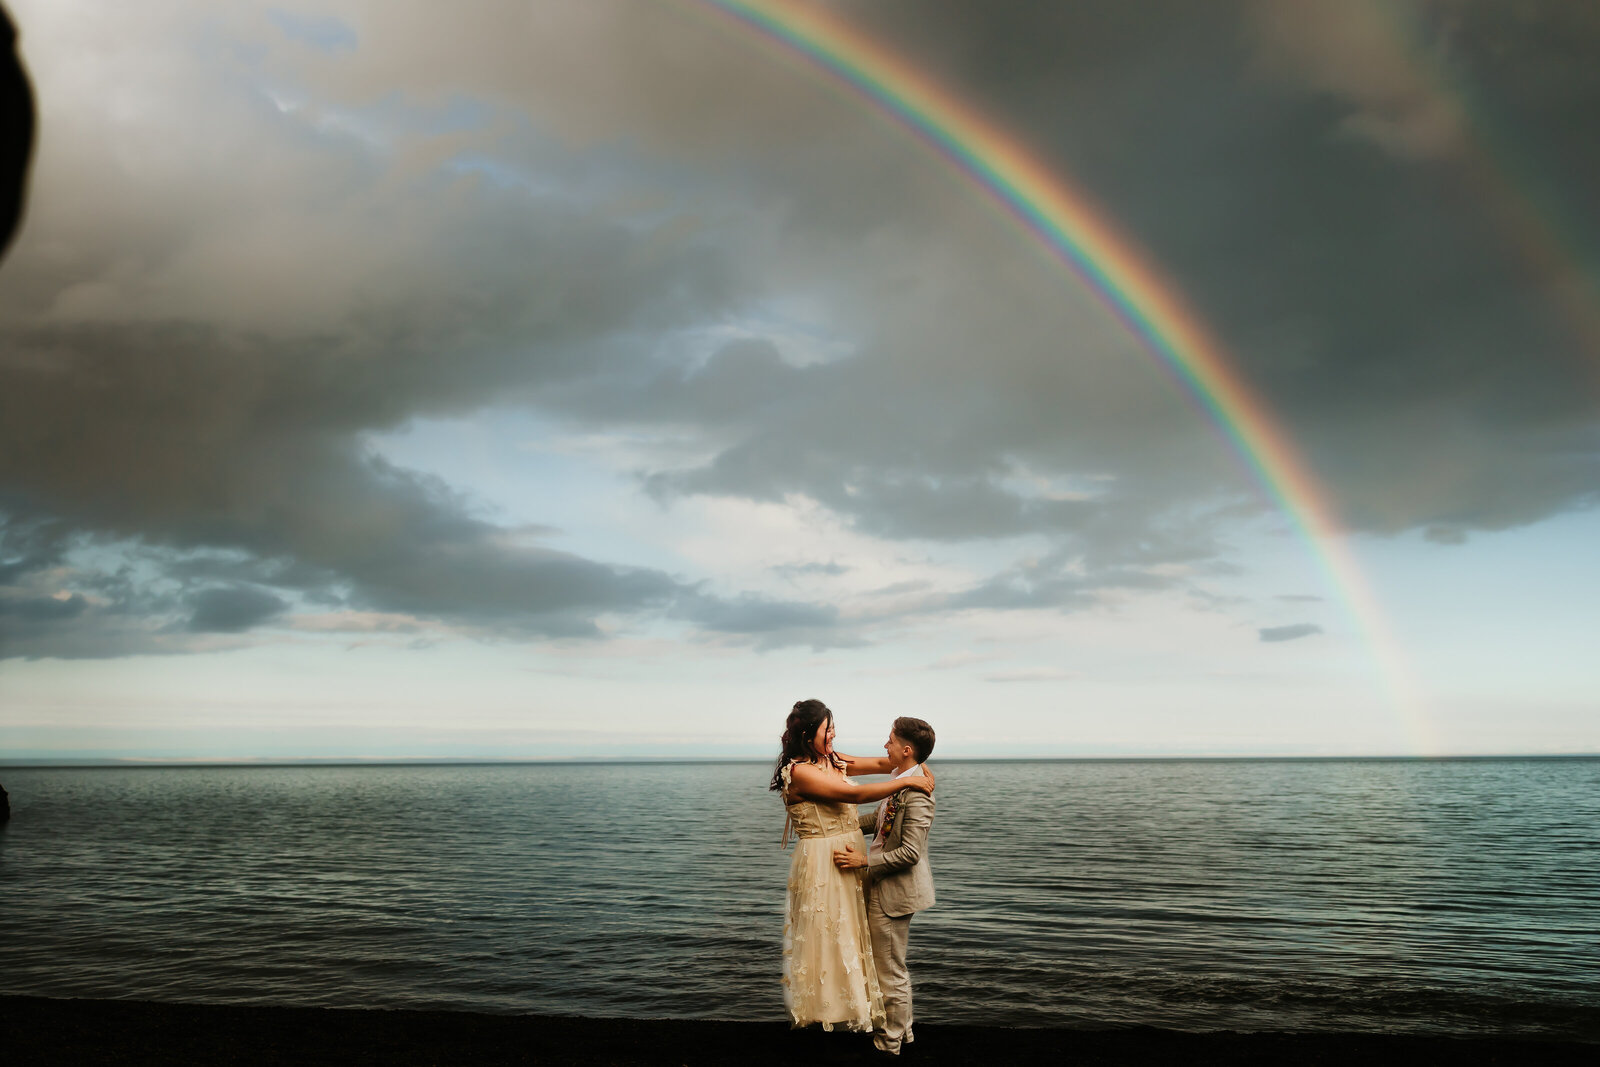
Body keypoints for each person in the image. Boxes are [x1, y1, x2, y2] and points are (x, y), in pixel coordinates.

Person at [770, 699, 934, 1034]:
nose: (833, 734)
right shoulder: (801, 772)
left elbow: (879, 762)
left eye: (833, 727)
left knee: (857, 935)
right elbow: (856, 798)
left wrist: (914, 768)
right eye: (826, 729)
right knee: (830, 935)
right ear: (806, 733)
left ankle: (870, 1015)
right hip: (824, 862)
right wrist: (907, 782)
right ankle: (830, 1012)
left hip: (851, 856)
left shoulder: (834, 760)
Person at [832, 717, 936, 1056]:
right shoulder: (901, 782)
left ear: (906, 750)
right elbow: (876, 824)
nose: (884, 746)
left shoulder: (917, 794)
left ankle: (890, 1042)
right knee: (889, 968)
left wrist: (863, 862)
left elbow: (909, 853)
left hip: (894, 893)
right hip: (881, 884)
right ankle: (902, 1033)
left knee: (890, 971)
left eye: (890, 741)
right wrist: (834, 830)